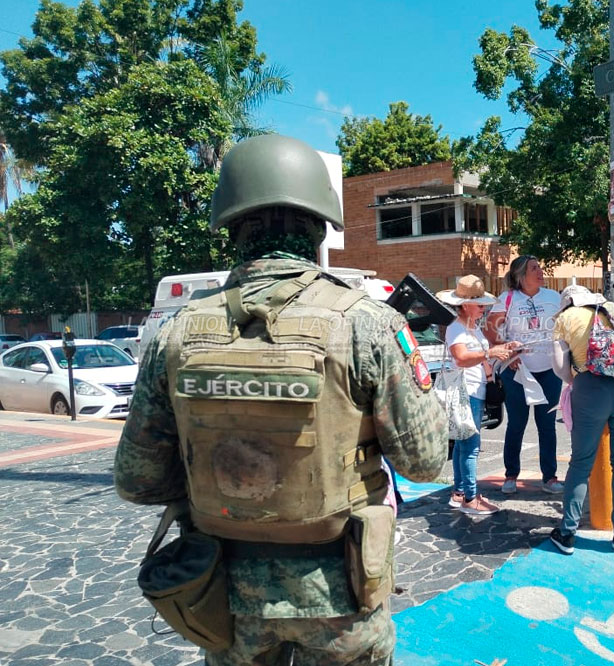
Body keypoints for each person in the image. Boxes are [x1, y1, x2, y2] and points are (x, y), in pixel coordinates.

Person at [114, 134, 447, 665]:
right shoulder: (368, 324)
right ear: (319, 227)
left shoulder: (176, 334)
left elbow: (138, 480)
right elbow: (424, 462)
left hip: (225, 597)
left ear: (231, 228)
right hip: (341, 592)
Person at [548, 286, 614, 554]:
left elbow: (559, 367)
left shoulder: (565, 319)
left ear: (567, 303)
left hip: (590, 387)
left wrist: (576, 381)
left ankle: (567, 533)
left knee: (581, 462)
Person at [437, 275, 520, 516]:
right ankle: (470, 498)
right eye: (479, 303)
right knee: (471, 445)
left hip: (472, 389)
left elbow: (478, 354)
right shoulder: (457, 328)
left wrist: (502, 348)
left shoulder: (469, 328)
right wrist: (491, 353)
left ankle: (460, 492)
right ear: (465, 305)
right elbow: (462, 358)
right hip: (467, 390)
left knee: (464, 443)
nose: (483, 308)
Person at [485, 255, 564, 495]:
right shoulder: (507, 299)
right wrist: (508, 354)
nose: (540, 271)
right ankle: (511, 475)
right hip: (517, 371)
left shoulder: (554, 297)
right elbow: (490, 331)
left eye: (540, 267)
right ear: (521, 276)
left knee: (547, 425)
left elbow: (566, 327)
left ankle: (549, 477)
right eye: (534, 268)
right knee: (517, 424)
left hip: (549, 370)